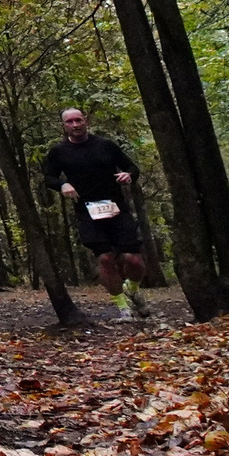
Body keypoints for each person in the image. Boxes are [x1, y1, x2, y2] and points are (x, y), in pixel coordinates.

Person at [39, 108, 150, 320]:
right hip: (87, 211)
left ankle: (132, 289)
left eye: (78, 120)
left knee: (134, 261)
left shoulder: (105, 145)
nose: (75, 125)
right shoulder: (59, 151)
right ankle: (123, 308)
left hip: (116, 207)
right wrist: (63, 185)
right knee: (106, 259)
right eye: (69, 122)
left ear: (86, 121)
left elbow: (131, 166)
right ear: (64, 126)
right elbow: (49, 177)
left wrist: (129, 175)